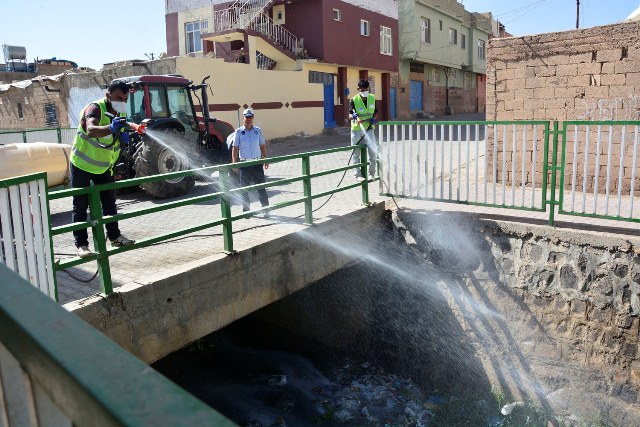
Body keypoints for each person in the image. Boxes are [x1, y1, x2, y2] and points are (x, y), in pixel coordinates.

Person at [70, 79, 135, 258]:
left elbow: (113, 143)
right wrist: (111, 128)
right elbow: (91, 129)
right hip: (81, 164)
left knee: (109, 203)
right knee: (80, 206)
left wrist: (122, 137)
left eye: (124, 99)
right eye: (118, 98)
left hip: (103, 167)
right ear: (108, 96)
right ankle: (82, 245)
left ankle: (115, 237)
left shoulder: (119, 111)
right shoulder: (94, 108)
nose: (121, 102)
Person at [231, 108, 270, 216]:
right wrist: (234, 162)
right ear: (243, 118)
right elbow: (235, 148)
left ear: (253, 118)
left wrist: (266, 159)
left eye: (250, 117)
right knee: (244, 188)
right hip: (244, 164)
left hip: (257, 163)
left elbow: (262, 146)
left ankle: (266, 208)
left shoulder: (258, 130)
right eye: (246, 117)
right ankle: (246, 211)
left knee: (261, 187)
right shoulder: (238, 132)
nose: (248, 119)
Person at [348, 79, 378, 182]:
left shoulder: (372, 98)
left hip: (369, 129)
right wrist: (353, 116)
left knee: (372, 152)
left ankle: (371, 174)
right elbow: (350, 115)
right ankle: (358, 175)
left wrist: (374, 118)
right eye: (362, 90)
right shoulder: (353, 100)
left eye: (366, 89)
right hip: (357, 130)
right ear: (358, 89)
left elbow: (375, 112)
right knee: (356, 153)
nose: (364, 92)